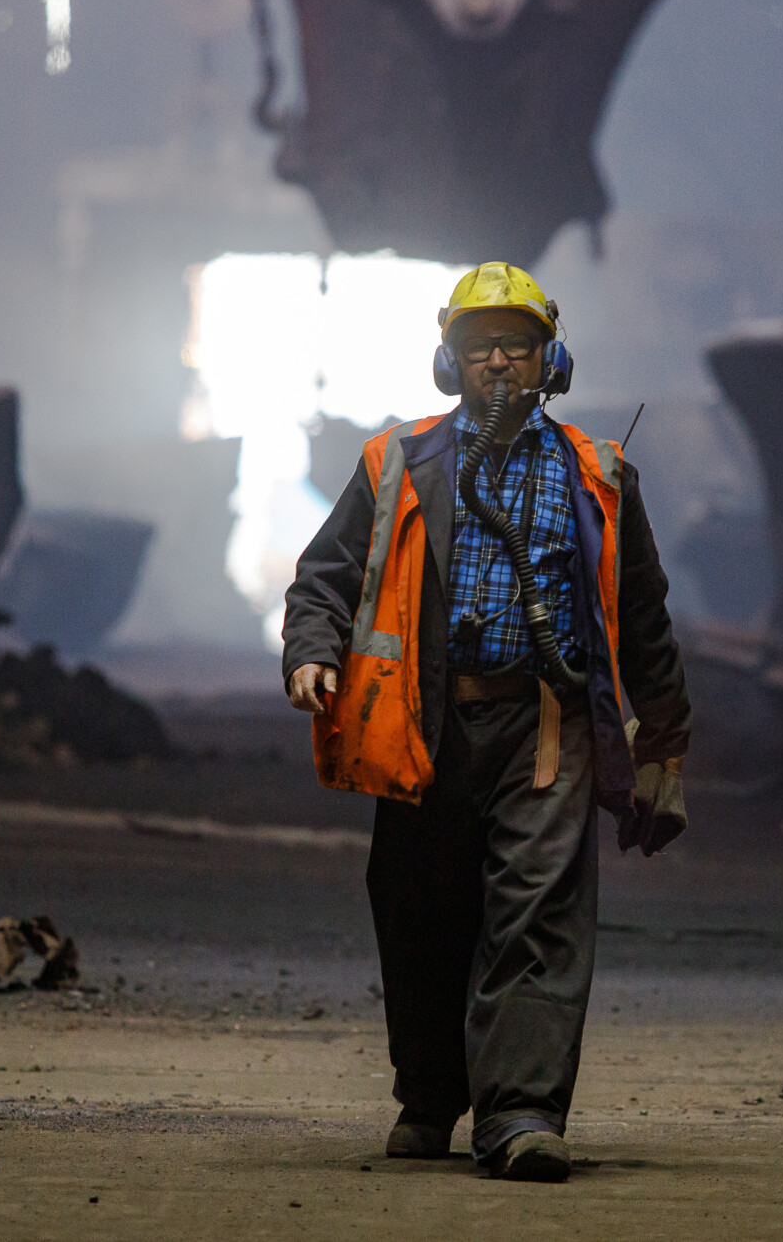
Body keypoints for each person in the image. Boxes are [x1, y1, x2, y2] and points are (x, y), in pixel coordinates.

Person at [282, 262, 691, 1182]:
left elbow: (644, 615)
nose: (498, 363)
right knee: (420, 912)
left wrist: (663, 739)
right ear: (448, 362)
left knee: (538, 915)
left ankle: (522, 1112)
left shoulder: (599, 474)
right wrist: (311, 650)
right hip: (426, 724)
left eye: (515, 345)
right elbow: (325, 575)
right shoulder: (398, 462)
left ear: (551, 360)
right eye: (478, 348)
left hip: (546, 728)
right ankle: (432, 1095)